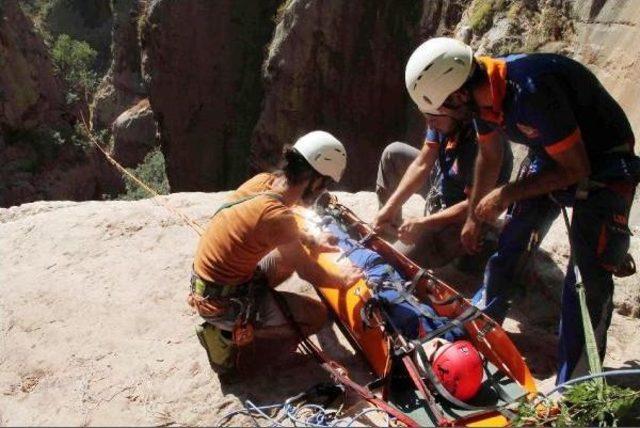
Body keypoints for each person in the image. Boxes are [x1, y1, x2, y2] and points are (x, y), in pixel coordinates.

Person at [404, 37, 639, 383]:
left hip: (606, 163)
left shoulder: (531, 89)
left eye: (443, 111)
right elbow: (490, 153)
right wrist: (474, 217)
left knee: (586, 276)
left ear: (457, 97)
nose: (444, 120)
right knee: (513, 239)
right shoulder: (483, 93)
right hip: (552, 155)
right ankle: (483, 324)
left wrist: (505, 194)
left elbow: (576, 169)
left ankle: (577, 383)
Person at [189, 130, 363, 381]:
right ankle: (234, 342)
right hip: (223, 305)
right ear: (315, 181)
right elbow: (308, 271)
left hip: (214, 285)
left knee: (286, 260)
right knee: (316, 316)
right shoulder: (275, 215)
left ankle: (247, 323)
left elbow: (282, 227)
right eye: (323, 183)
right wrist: (343, 278)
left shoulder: (265, 182)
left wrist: (311, 239)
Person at [373, 116, 513, 269]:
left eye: (434, 118)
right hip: (443, 184)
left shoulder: (484, 144)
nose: (430, 124)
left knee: (395, 262)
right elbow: (422, 164)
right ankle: (390, 229)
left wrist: (423, 223)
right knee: (393, 153)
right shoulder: (444, 115)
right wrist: (390, 207)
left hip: (465, 213)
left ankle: (469, 248)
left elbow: (473, 207)